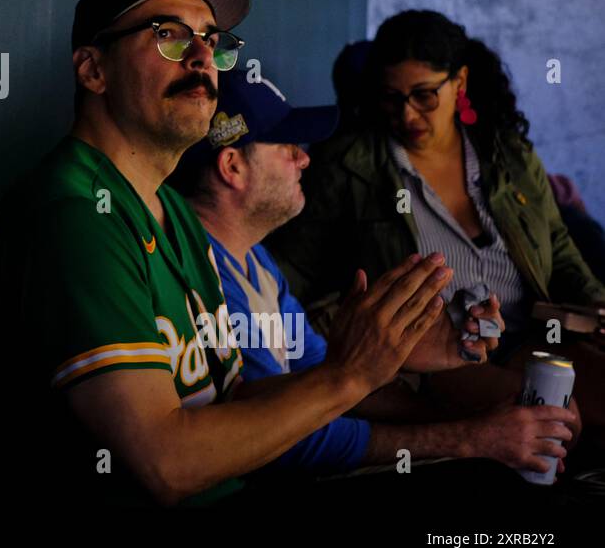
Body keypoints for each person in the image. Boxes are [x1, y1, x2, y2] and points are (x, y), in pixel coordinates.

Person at [0, 0, 454, 506]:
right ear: (94, 70)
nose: (203, 55)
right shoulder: (76, 214)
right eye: (169, 35)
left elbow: (230, 399)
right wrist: (347, 377)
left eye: (211, 39)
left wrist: (378, 358)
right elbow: (165, 464)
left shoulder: (172, 210)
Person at [171, 69, 577, 479]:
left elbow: (324, 376)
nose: (304, 158)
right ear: (232, 166)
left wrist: (407, 365)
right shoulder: (208, 275)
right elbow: (286, 438)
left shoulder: (255, 260)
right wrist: (469, 438)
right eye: (287, 146)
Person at [268, 9, 605, 445]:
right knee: (551, 416)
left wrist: (594, 305)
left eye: (425, 96)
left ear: (459, 82)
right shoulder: (350, 167)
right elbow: (294, 273)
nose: (407, 114)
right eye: (391, 98)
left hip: (528, 333)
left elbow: (557, 247)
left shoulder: (507, 155)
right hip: (440, 355)